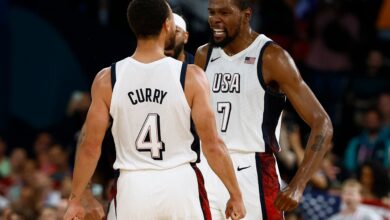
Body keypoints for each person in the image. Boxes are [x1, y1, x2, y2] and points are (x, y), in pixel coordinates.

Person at [63, 0, 246, 219]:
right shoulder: (191, 76)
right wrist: (235, 194)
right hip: (180, 184)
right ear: (167, 25)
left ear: (134, 27)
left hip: (133, 186)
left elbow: (89, 145)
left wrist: (76, 199)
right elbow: (213, 144)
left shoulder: (107, 79)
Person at [195, 0, 333, 219]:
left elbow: (322, 123)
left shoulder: (272, 57)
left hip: (252, 170)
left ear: (246, 15)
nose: (215, 19)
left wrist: (298, 184)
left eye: (224, 12)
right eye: (211, 12)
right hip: (207, 165)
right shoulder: (204, 54)